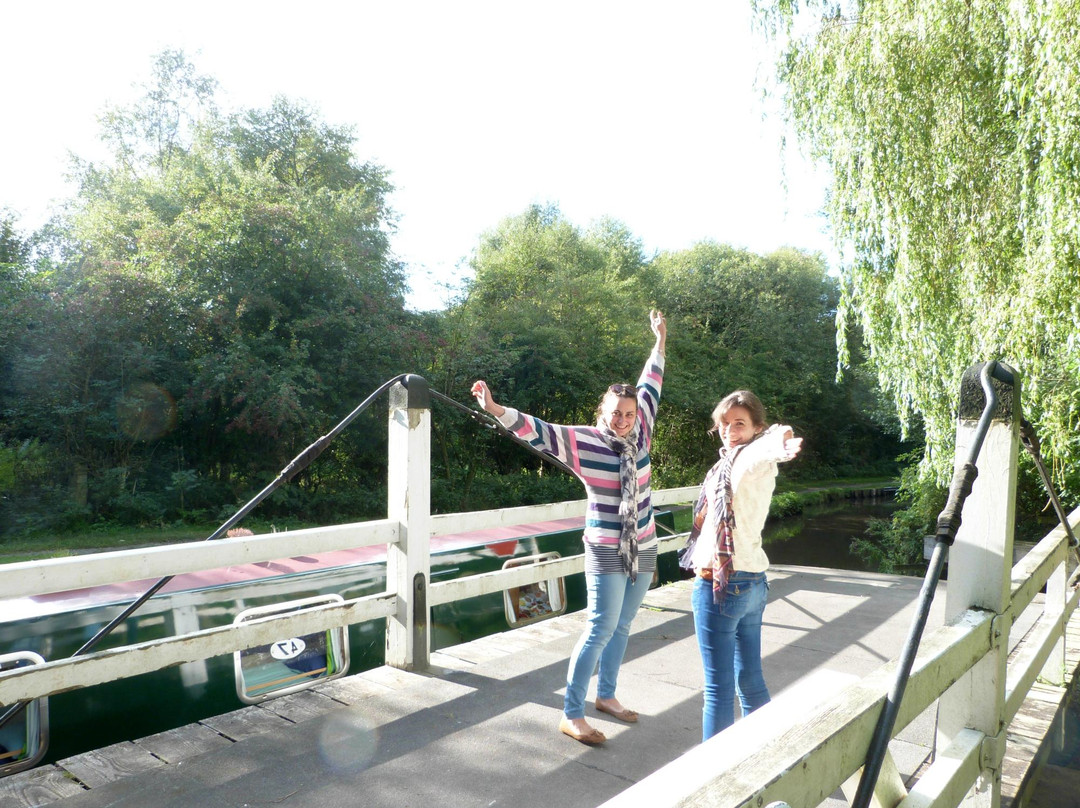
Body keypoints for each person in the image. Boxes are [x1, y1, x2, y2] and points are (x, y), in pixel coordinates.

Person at [471, 310, 667, 745]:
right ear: (603, 411)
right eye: (615, 413)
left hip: (645, 544)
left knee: (624, 624)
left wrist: (660, 340)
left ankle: (608, 696)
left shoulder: (644, 431)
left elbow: (651, 381)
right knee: (600, 625)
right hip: (604, 547)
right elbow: (537, 430)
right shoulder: (584, 441)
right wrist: (497, 409)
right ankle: (571, 712)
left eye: (628, 413)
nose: (622, 420)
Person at [685, 390, 802, 742]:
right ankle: (765, 759)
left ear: (756, 428)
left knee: (717, 689)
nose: (730, 430)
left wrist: (783, 443)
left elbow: (773, 443)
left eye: (740, 423)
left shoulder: (751, 457)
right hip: (752, 582)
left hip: (721, 585)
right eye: (725, 423)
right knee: (750, 680)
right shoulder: (728, 463)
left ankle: (713, 779)